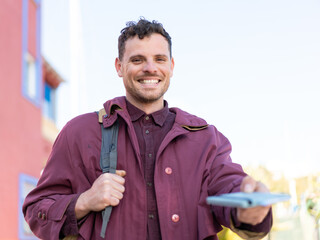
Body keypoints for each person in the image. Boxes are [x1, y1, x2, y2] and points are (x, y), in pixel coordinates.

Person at [23, 18, 272, 240]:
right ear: (119, 66)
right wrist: (85, 200)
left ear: (171, 66)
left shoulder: (206, 138)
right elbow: (36, 209)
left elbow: (229, 187)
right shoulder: (79, 132)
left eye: (159, 59)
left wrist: (248, 205)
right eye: (137, 60)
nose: (150, 68)